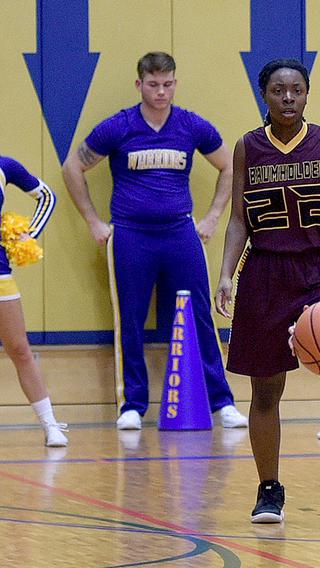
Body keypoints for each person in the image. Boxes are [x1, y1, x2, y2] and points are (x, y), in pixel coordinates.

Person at [215, 58, 320, 526]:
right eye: (277, 90)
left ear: (307, 94)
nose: (287, 97)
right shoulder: (247, 148)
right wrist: (227, 273)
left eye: (296, 89)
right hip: (264, 272)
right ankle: (269, 489)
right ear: (264, 95)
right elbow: (237, 219)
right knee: (265, 390)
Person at [61, 52, 247, 431]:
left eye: (167, 84)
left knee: (200, 314)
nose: (161, 92)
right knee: (129, 318)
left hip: (180, 232)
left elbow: (230, 165)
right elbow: (73, 167)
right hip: (130, 234)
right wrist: (95, 221)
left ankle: (221, 402)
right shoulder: (119, 126)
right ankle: (132, 404)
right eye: (153, 85)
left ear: (175, 83)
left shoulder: (192, 126)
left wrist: (212, 217)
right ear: (139, 84)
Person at [0, 156, 67, 447]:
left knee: (19, 348)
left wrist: (28, 236)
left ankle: (51, 425)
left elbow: (47, 196)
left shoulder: (5, 166)